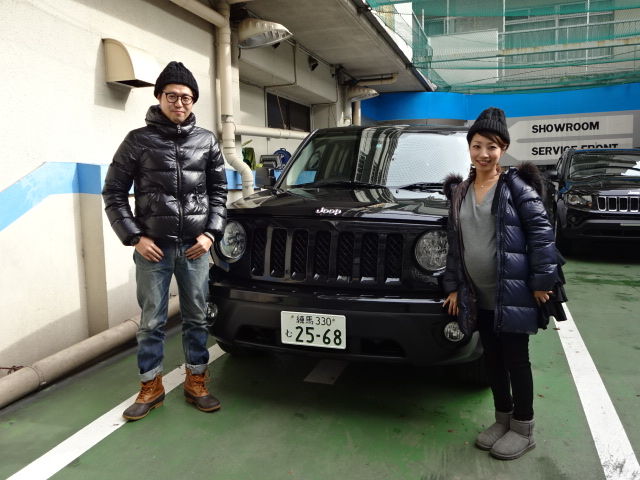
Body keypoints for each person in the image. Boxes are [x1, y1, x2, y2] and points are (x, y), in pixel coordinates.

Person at [102, 61, 228, 421]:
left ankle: (196, 381)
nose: (179, 103)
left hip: (195, 248)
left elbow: (219, 193)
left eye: (186, 97)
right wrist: (135, 238)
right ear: (159, 97)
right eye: (172, 96)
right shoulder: (137, 141)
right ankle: (151, 386)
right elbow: (113, 192)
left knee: (197, 318)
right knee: (151, 322)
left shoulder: (206, 140)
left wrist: (210, 234)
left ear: (193, 101)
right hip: (153, 249)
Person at [442, 107, 558, 460]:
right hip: (478, 295)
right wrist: (452, 286)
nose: (483, 154)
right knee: (491, 359)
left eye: (491, 147)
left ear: (503, 149)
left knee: (516, 361)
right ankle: (502, 418)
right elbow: (454, 244)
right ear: (469, 148)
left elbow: (542, 235)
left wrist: (541, 282)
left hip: (513, 293)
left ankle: (523, 428)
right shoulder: (460, 192)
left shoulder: (516, 188)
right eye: (477, 146)